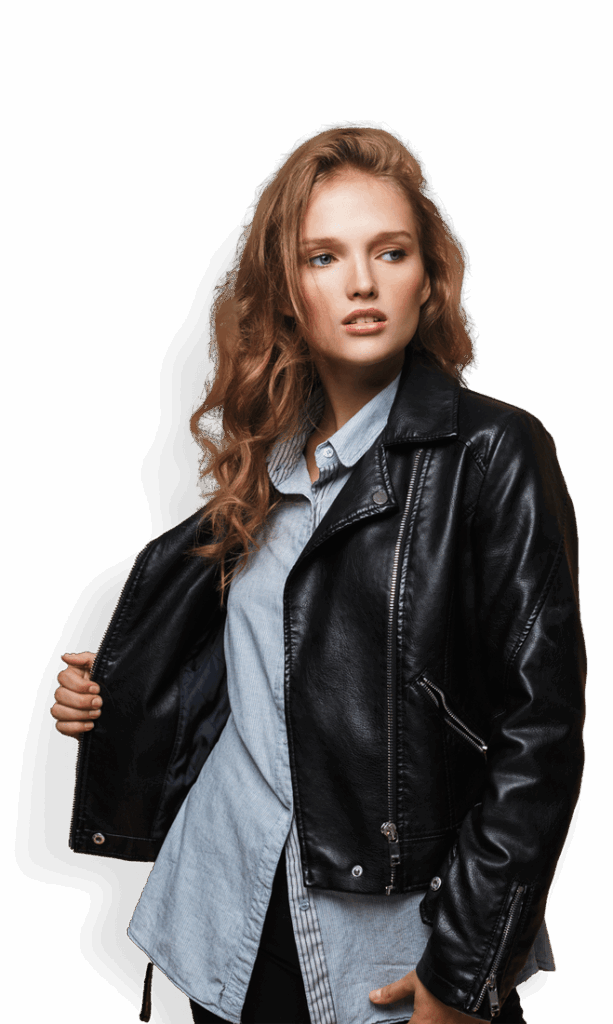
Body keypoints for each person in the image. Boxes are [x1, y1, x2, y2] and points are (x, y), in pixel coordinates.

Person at [50, 126, 586, 1024]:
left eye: (390, 251)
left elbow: (538, 735)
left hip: (384, 938)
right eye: (323, 256)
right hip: (223, 908)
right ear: (287, 292)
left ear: (429, 279)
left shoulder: (490, 452)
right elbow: (255, 675)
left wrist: (464, 968)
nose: (362, 282)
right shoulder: (264, 467)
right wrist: (112, 692)